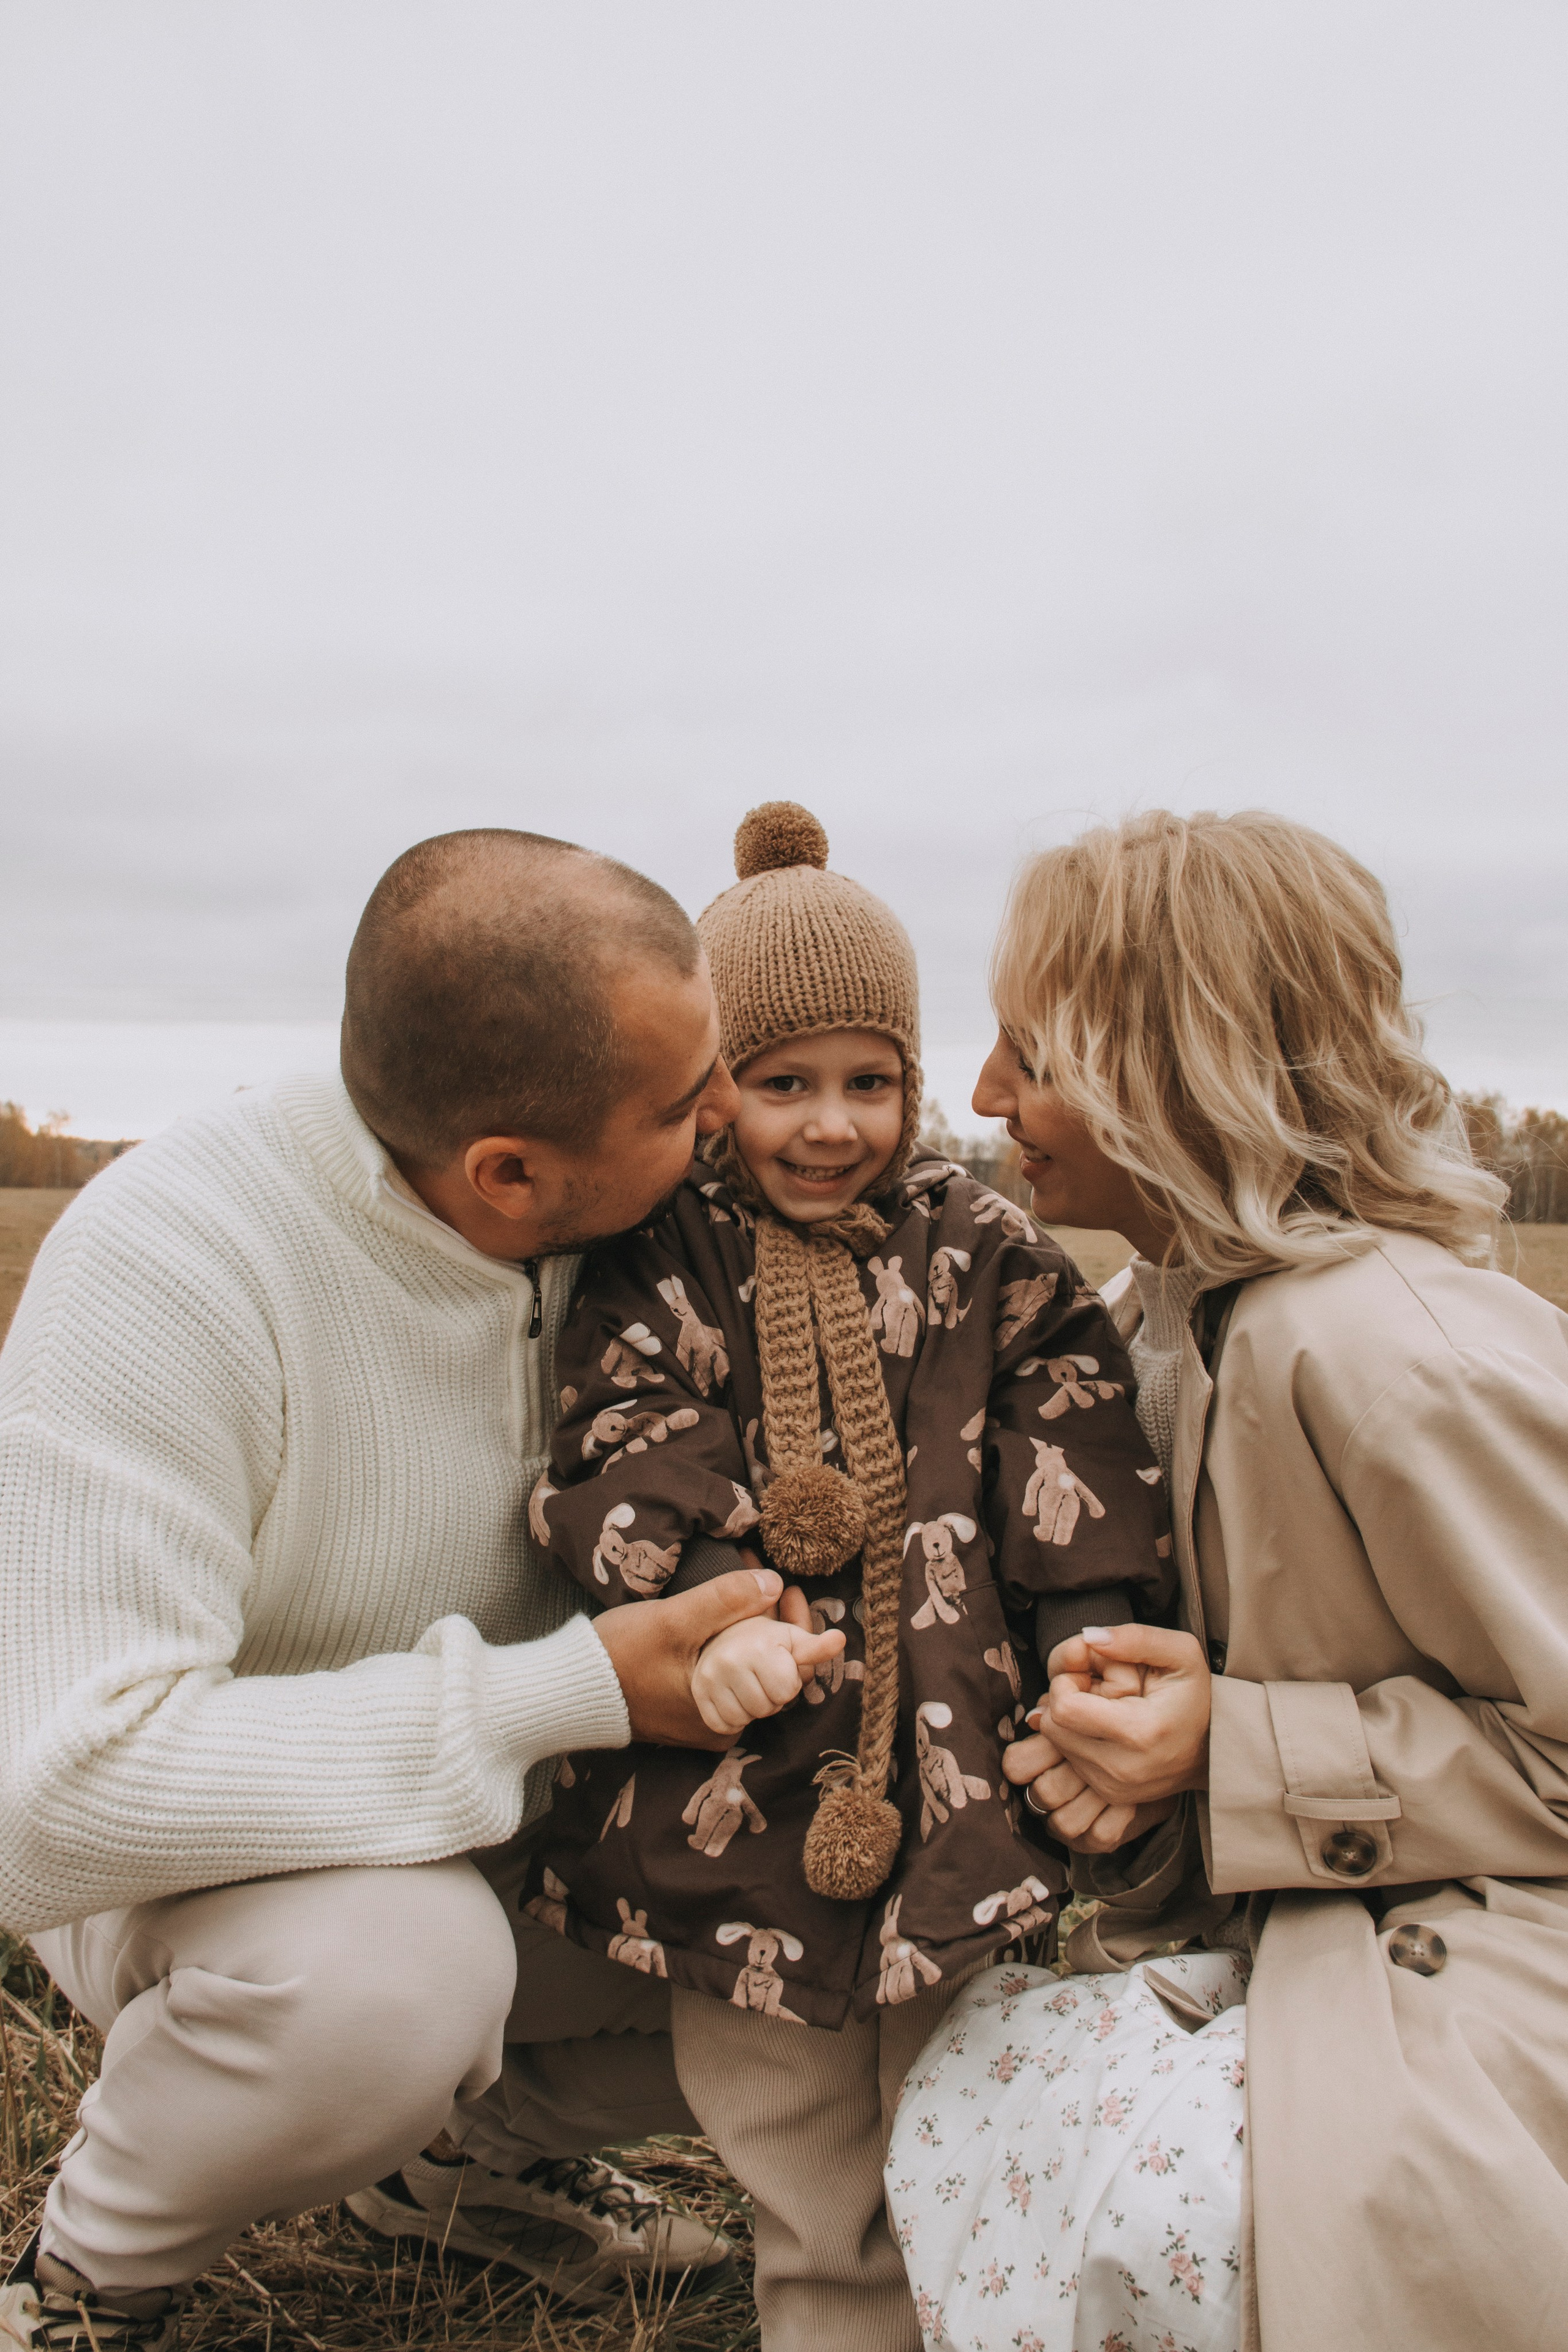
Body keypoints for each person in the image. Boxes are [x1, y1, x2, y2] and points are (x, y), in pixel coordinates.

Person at [0, 829, 844, 2350]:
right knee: (392, 1985)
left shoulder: (645, 1227)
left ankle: (459, 2180)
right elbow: (58, 1804)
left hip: (517, 1817)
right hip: (205, 1876)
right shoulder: (170, 1273)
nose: (727, 1115)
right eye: (682, 1101)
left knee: (848, 1918)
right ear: (507, 1175)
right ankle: (83, 2279)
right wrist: (574, 1692)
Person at [884, 809, 1568, 2352]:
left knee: (1117, 2174)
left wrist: (1232, 1751)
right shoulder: (1153, 1316)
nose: (983, 1097)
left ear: (1172, 1071)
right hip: (1311, 1935)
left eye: (1028, 1052)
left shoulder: (1399, 1360)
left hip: (1488, 1993)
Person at [525, 803, 1172, 2352]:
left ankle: (978, 2307)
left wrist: (1091, 1647)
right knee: (792, 2138)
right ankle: (830, 2317)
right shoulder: (661, 1252)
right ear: (711, 1090)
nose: (832, 1126)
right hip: (735, 1786)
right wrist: (709, 1607)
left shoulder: (981, 1245)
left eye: (870, 1082)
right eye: (780, 1083)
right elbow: (621, 1435)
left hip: (957, 1772)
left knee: (951, 2097)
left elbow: (1070, 1449)